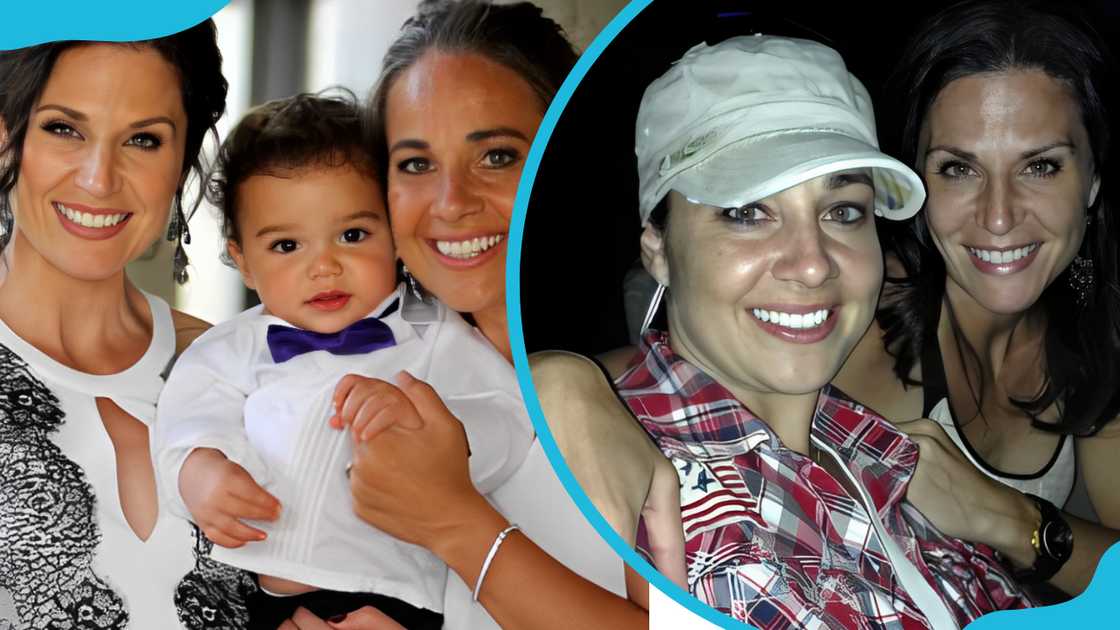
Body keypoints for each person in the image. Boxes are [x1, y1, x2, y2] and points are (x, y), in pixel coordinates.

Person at [535, 34, 1036, 628]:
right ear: (658, 250)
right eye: (747, 212)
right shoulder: (644, 500)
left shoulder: (870, 440)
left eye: (843, 211)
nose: (813, 262)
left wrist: (1020, 525)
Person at [285, 1, 658, 628]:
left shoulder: (656, 393)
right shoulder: (342, 374)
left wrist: (457, 524)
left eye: (497, 157)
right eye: (416, 165)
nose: (451, 203)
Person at [152, 92, 532, 629]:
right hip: (263, 593)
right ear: (244, 261)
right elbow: (185, 423)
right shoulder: (230, 349)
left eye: (353, 235)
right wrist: (200, 472)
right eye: (287, 246)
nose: (325, 267)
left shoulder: (429, 331)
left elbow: (508, 415)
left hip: (392, 596)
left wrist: (438, 432)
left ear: (394, 235)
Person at [832, 0, 1120, 597]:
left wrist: (1004, 517)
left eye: (1040, 166)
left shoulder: (1096, 316)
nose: (998, 216)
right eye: (958, 169)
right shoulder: (860, 313)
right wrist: (583, 390)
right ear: (913, 179)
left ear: (1091, 180)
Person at [0, 24, 246, 628]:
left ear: (184, 162)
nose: (99, 179)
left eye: (143, 139)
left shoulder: (245, 371)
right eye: (63, 128)